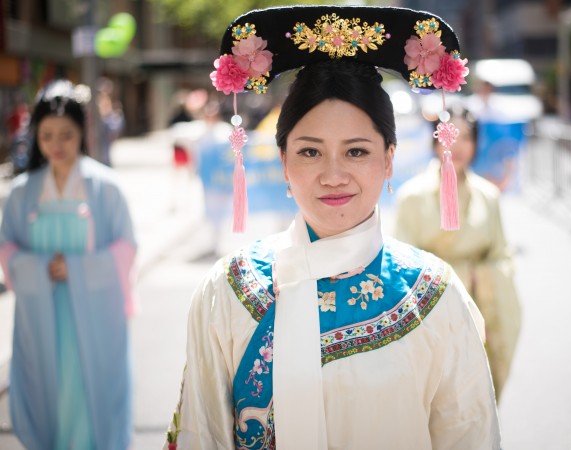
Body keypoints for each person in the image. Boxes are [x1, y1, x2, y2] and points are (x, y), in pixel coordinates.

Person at [165, 6, 500, 449]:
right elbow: (200, 436)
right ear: (283, 162)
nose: (334, 175)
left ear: (389, 160)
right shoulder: (226, 292)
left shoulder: (435, 296)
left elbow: (470, 437)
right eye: (310, 152)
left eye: (357, 152)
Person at [0, 79, 137, 450]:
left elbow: (126, 247)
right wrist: (40, 266)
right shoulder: (21, 192)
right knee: (49, 390)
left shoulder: (106, 187)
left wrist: (76, 268)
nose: (56, 145)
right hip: (41, 314)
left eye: (66, 134)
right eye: (46, 136)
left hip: (94, 314)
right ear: (35, 137)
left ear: (82, 132)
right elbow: (7, 248)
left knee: (89, 390)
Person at [394, 108, 522, 400]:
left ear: (476, 143)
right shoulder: (411, 196)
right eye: (449, 136)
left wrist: (481, 277)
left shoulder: (488, 195)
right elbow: (401, 263)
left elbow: (502, 255)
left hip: (481, 304)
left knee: (477, 393)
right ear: (435, 142)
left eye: (466, 137)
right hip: (430, 307)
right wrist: (448, 281)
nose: (457, 146)